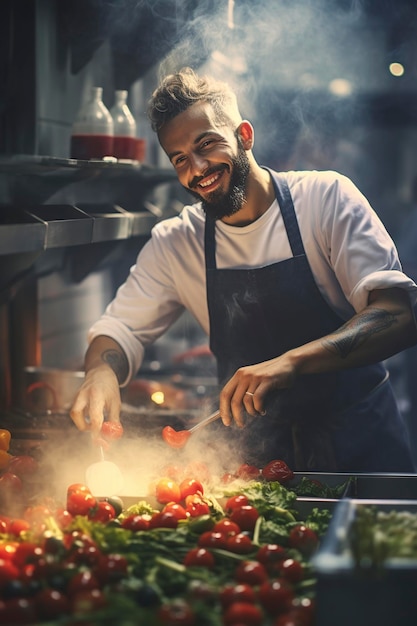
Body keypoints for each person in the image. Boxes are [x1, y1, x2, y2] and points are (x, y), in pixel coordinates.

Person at [70, 67, 417, 473]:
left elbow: (398, 315)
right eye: (180, 158)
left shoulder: (324, 199)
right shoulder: (177, 241)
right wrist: (100, 372)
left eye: (207, 144)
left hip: (361, 445)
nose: (197, 168)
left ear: (245, 136)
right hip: (255, 464)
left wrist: (291, 362)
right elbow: (119, 330)